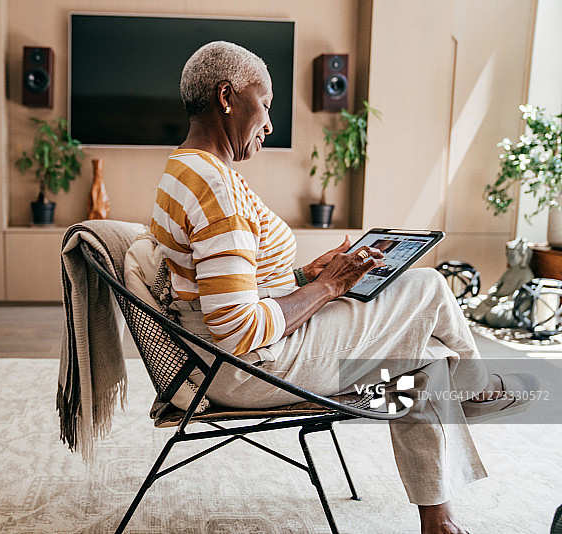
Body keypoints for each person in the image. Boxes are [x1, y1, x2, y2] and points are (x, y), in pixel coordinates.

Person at [147, 41, 538, 534]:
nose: (269, 124)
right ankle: (478, 387)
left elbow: (230, 288)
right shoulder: (216, 187)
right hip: (246, 369)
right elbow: (235, 327)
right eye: (265, 104)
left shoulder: (183, 170)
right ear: (227, 98)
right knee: (426, 287)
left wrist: (309, 276)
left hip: (224, 360)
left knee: (421, 355)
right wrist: (330, 288)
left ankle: (438, 520)